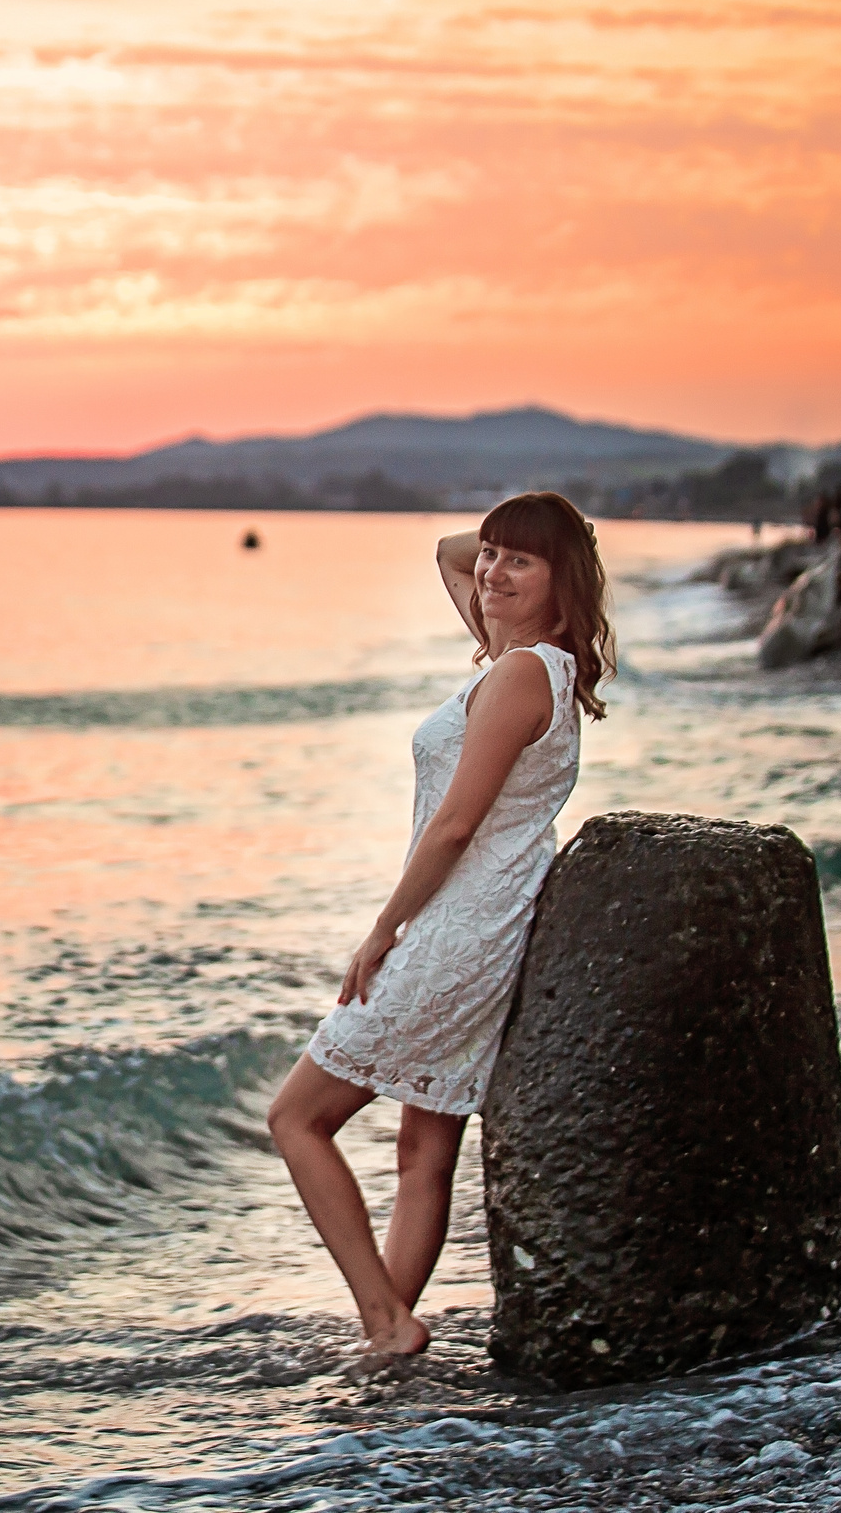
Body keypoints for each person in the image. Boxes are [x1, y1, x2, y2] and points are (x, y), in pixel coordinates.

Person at [266, 491, 615, 1373]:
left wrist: (383, 929)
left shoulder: (520, 674)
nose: (491, 571)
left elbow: (455, 824)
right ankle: (389, 1338)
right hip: (493, 923)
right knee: (424, 1147)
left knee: (297, 1117)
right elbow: (447, 550)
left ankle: (386, 1320)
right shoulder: (527, 659)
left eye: (518, 563)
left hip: (458, 929)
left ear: (560, 586)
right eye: (493, 556)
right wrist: (527, 537)